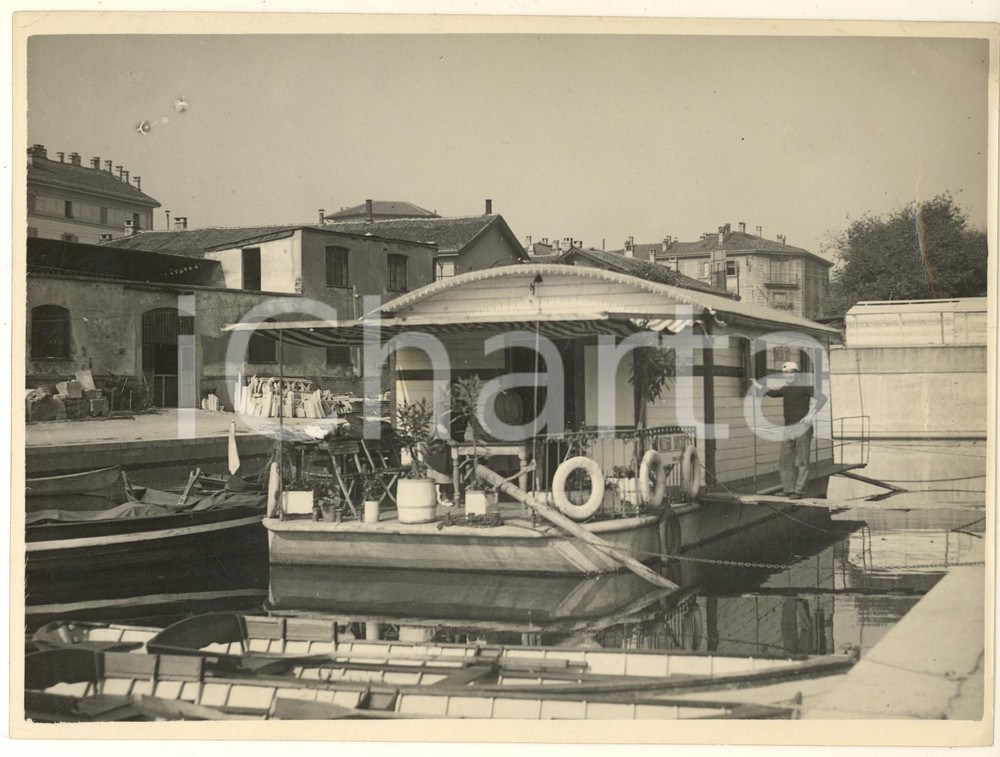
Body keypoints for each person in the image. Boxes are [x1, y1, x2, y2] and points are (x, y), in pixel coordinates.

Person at [752, 361, 826, 499]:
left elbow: (822, 398)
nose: (789, 376)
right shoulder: (786, 388)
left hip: (802, 428)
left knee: (803, 461)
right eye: (786, 373)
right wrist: (757, 384)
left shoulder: (804, 386)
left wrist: (810, 415)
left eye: (791, 373)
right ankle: (788, 490)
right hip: (789, 428)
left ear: (796, 374)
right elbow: (773, 394)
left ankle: (799, 492)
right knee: (785, 460)